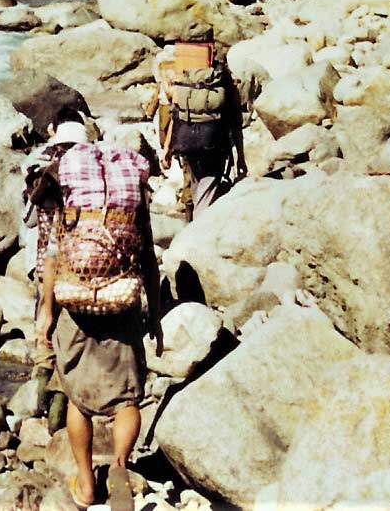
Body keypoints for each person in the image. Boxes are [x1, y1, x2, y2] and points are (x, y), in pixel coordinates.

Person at [36, 139, 162, 511]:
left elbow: (52, 259)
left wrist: (46, 311)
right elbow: (149, 260)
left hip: (74, 307)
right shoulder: (131, 200)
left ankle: (87, 485)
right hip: (120, 302)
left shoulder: (69, 198)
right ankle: (121, 466)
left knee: (78, 398)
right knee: (126, 398)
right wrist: (153, 313)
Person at [21, 106, 90, 432]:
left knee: (45, 326)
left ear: (53, 129)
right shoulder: (96, 161)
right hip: (85, 261)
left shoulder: (37, 162)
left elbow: (30, 219)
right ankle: (61, 404)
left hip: (46, 262)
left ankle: (37, 392)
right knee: (75, 332)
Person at [151, 39, 246, 217]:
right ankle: (198, 229)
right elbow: (236, 124)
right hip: (214, 145)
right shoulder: (223, 82)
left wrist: (168, 149)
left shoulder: (185, 82)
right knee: (207, 190)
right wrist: (240, 158)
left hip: (187, 142)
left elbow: (175, 118)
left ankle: (191, 222)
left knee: (195, 186)